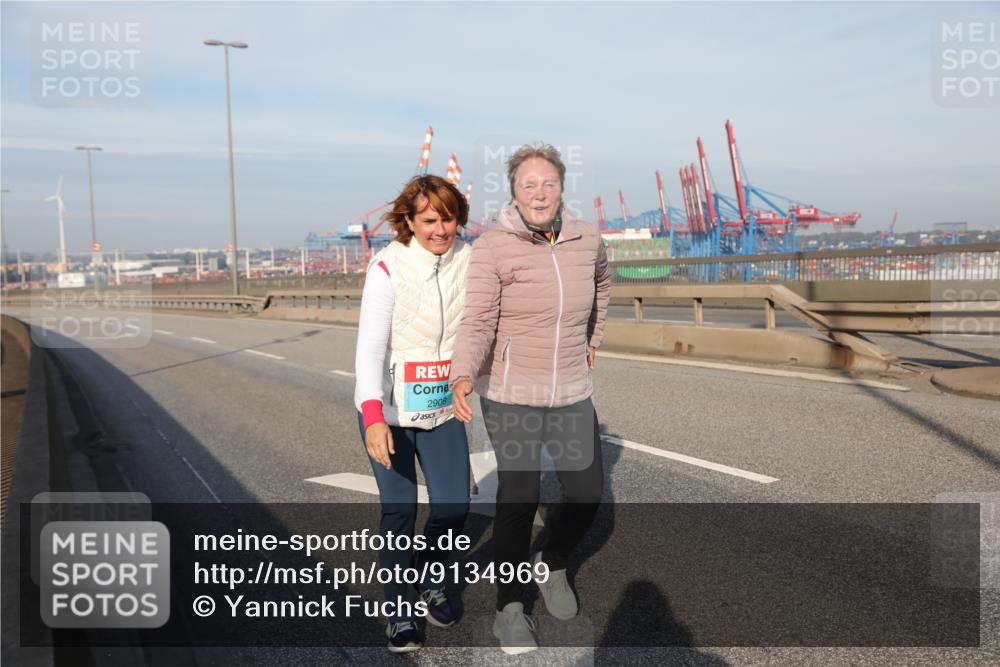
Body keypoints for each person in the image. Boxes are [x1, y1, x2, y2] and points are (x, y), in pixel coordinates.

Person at [449, 144, 611, 655]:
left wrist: (593, 338)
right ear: (514, 192)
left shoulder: (588, 238)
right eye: (528, 185)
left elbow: (602, 286)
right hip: (512, 389)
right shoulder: (494, 246)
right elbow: (477, 319)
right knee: (518, 496)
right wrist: (462, 374)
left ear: (562, 187)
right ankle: (509, 608)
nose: (539, 193)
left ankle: (553, 562)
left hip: (570, 389)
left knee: (586, 494)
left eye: (548, 184)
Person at [353, 174, 472, 653]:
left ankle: (427, 577)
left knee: (453, 508)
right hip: (391, 413)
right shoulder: (387, 268)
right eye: (428, 220)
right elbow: (368, 352)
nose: (440, 230)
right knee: (400, 511)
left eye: (447, 218)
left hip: (441, 409)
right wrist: (372, 416)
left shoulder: (470, 260)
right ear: (408, 220)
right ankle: (400, 612)